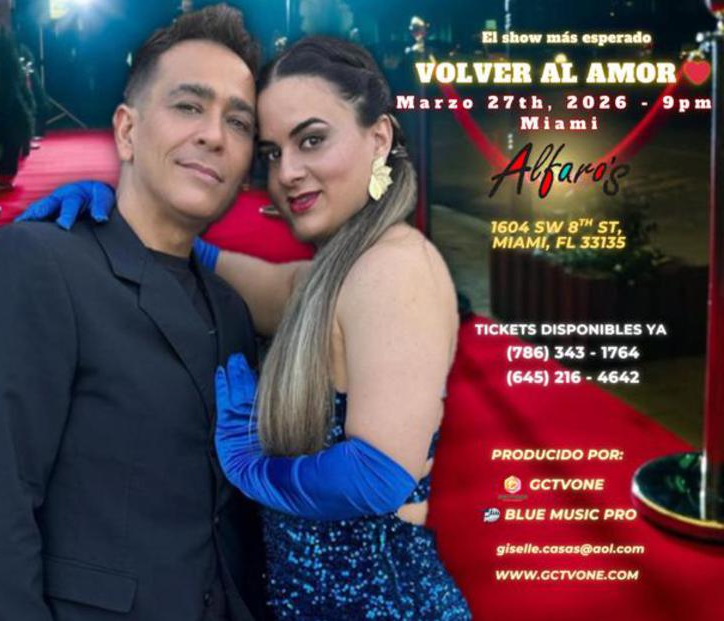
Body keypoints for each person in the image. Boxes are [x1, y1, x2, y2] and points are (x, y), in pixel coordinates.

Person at [24, 36, 471, 621]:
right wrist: (122, 214)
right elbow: (252, 279)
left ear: (380, 138)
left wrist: (251, 467)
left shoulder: (395, 267)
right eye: (271, 152)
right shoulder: (344, 269)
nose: (288, 173)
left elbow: (377, 476)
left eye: (312, 140)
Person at [0, 6, 269, 621]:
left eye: (238, 121)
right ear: (126, 130)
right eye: (188, 106)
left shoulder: (230, 308)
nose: (214, 135)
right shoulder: (36, 264)